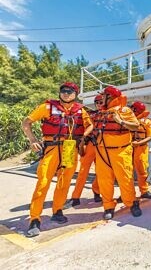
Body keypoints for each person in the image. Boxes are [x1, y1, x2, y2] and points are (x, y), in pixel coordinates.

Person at [22, 82, 93, 237]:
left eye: (70, 91)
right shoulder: (47, 107)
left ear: (76, 94)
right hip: (52, 147)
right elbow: (26, 122)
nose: (66, 93)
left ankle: (58, 210)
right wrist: (32, 139)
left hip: (69, 148)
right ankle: (34, 218)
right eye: (63, 91)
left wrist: (83, 138)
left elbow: (90, 125)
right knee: (43, 182)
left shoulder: (80, 111)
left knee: (64, 181)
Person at [94, 86, 142, 220]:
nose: (101, 99)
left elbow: (136, 126)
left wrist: (120, 121)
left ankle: (132, 203)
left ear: (110, 97)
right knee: (104, 180)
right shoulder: (101, 113)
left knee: (125, 178)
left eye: (103, 96)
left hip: (121, 151)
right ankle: (108, 206)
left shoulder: (124, 110)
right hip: (102, 152)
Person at [65, 95, 103, 207]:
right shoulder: (89, 114)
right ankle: (75, 197)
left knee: (101, 172)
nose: (99, 104)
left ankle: (97, 191)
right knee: (82, 173)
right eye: (97, 102)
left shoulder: (110, 114)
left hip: (102, 146)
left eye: (101, 102)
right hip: (90, 145)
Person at [130, 101, 151, 199]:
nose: (131, 110)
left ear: (136, 110)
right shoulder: (129, 120)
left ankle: (144, 191)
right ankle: (127, 193)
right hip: (129, 148)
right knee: (127, 172)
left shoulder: (147, 122)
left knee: (142, 171)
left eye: (132, 108)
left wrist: (139, 143)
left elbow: (150, 136)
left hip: (141, 148)